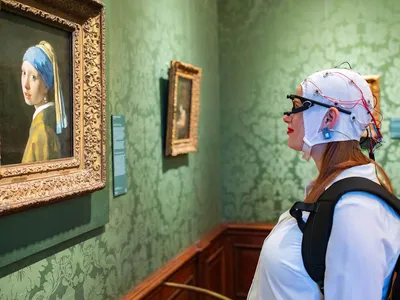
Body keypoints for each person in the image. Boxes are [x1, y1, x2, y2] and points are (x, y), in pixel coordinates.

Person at [247, 68, 400, 299]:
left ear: (329, 118)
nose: (287, 117)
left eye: (298, 106)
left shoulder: (355, 208)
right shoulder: (330, 189)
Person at [21, 40, 67, 163]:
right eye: (23, 73)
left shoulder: (42, 130)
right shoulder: (45, 121)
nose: (25, 85)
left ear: (47, 86)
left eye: (33, 77)